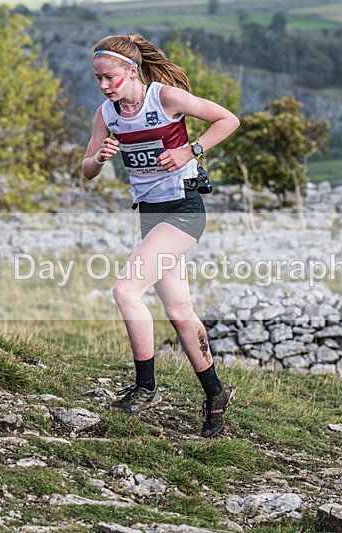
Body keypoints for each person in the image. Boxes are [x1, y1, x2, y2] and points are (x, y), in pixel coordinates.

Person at [81, 35, 240, 438]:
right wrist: (98, 160)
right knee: (180, 313)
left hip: (184, 211)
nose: (104, 86)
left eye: (110, 78)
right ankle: (216, 394)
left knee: (125, 291)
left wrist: (192, 150)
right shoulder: (107, 113)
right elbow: (85, 169)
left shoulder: (164, 98)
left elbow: (228, 119)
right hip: (150, 217)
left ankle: (145, 387)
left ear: (131, 71)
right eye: (98, 78)